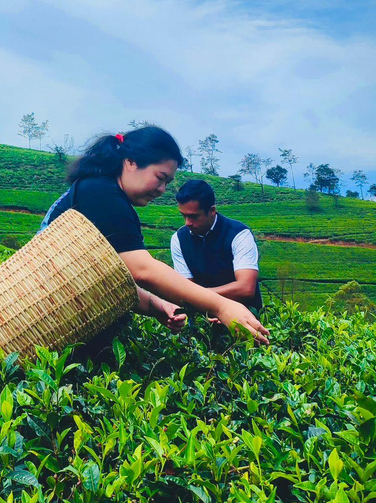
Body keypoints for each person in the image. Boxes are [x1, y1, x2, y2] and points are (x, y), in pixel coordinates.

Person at [39, 127, 269, 344]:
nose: (161, 190)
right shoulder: (102, 194)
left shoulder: (100, 190)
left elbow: (114, 279)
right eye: (160, 178)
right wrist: (221, 306)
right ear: (130, 162)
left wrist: (155, 305)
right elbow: (143, 270)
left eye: (167, 183)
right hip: (40, 310)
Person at [172, 180, 262, 311]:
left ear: (212, 211)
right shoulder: (179, 239)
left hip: (244, 317)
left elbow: (246, 288)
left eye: (194, 217)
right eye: (184, 216)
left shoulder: (239, 234)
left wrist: (198, 295)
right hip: (203, 322)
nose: (187, 223)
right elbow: (185, 289)